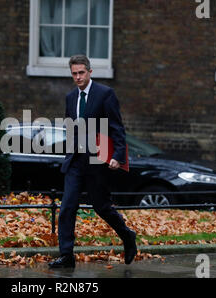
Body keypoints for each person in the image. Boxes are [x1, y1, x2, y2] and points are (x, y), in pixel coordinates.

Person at [48, 55, 137, 269]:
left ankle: (127, 236)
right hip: (75, 162)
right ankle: (67, 256)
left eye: (81, 73)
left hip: (97, 162)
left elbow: (116, 127)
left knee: (102, 207)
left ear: (90, 72)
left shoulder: (105, 94)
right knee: (67, 207)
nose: (78, 77)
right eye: (74, 74)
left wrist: (117, 155)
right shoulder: (71, 98)